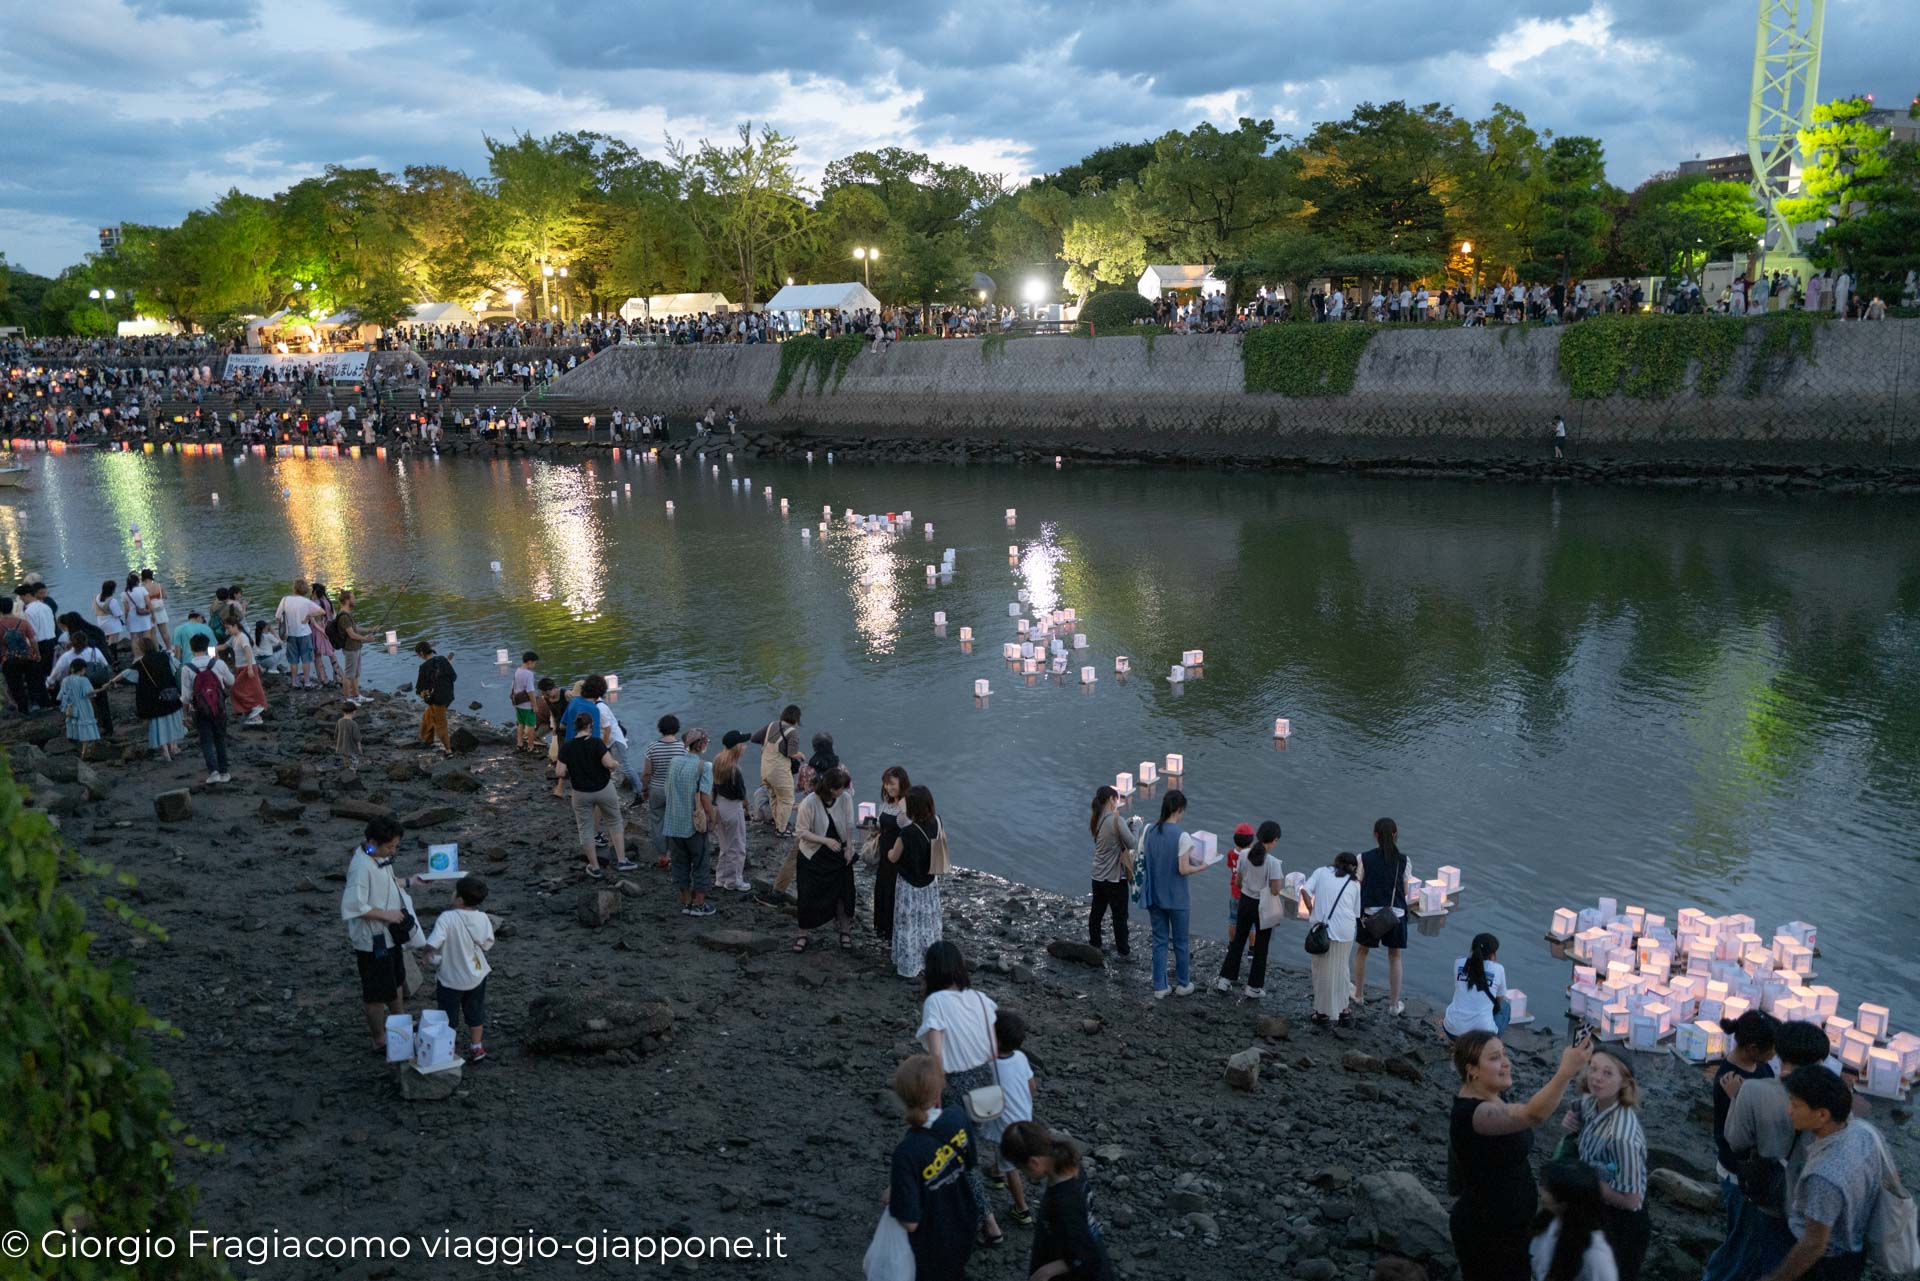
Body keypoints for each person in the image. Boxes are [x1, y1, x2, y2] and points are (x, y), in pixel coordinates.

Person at [1450, 1028, 1594, 1281]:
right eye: (1494, 1058)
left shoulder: (1493, 1098)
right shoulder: (1475, 1113)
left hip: (1508, 1225)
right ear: (1472, 1070)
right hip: (1488, 1232)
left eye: (1504, 1054)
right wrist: (1565, 1073)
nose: (1506, 1063)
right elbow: (1533, 1115)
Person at [1709, 1020, 1832, 1281]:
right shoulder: (1826, 1100)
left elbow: (1736, 1140)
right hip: (1799, 1194)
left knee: (1741, 1244)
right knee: (1770, 1251)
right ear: (1819, 1061)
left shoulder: (1754, 1091)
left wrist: (1737, 1099)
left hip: (1756, 1186)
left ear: (1780, 1052)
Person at [915, 941, 1005, 1248]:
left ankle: (988, 1223)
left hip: (955, 1084)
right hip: (985, 1082)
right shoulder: (982, 999)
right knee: (965, 1153)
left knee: (959, 1158)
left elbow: (936, 1054)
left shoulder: (936, 1002)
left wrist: (935, 1089)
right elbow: (994, 1049)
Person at [1764, 1066, 1887, 1281]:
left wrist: (1775, 1279)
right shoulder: (1865, 1132)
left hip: (1825, 1265)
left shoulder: (1823, 1177)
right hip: (1855, 1247)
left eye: (1795, 1104)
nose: (1788, 1111)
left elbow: (1814, 1244)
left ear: (1822, 1114)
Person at [1559, 1048, 1648, 1281]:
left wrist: (1587, 1182)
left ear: (1624, 1083)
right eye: (1593, 1068)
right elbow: (1577, 1106)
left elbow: (1632, 1200)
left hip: (1620, 1224)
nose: (1597, 1077)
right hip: (1593, 1209)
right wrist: (1572, 1118)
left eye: (1608, 1073)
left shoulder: (1622, 1137)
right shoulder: (1592, 1102)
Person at [888, 1054, 978, 1281]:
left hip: (931, 1242)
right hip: (964, 1221)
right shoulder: (958, 1117)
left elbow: (910, 1222)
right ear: (940, 1089)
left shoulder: (907, 1152)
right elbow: (970, 1163)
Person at [997, 1122, 1116, 1281]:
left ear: (1034, 1162)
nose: (1021, 1172)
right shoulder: (1069, 1164)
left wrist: (1045, 1272)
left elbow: (1087, 1255)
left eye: (1020, 1168)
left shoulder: (1064, 1201)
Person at [341, 816, 417, 1056]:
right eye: (390, 846)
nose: (393, 851)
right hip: (372, 941)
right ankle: (379, 1039)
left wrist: (411, 882)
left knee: (395, 981)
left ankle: (400, 1023)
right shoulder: (360, 868)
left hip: (389, 937)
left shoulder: (378, 855)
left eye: (396, 845)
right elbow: (355, 907)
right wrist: (388, 916)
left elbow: (388, 881)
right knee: (375, 994)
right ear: (373, 842)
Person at [1140, 789, 1212, 999]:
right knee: (1180, 942)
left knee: (1159, 940)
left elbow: (1145, 859)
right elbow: (1183, 869)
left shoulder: (1149, 831)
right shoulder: (1182, 836)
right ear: (1179, 810)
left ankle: (1160, 986)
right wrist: (1203, 866)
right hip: (1177, 898)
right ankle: (1183, 984)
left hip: (1154, 894)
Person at [423, 875, 494, 1063]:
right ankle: (477, 1047)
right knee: (475, 1011)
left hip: (450, 979)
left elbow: (434, 941)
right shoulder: (483, 917)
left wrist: (428, 952)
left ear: (459, 899)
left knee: (448, 1016)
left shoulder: (447, 918)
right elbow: (487, 944)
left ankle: (448, 1049)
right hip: (476, 976)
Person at [980, 1010, 1038, 1226]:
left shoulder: (989, 1064)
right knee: (1004, 1152)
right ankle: (996, 1174)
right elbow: (1032, 1087)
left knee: (1011, 1165)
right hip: (1023, 1115)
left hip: (1005, 1124)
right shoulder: (1021, 1058)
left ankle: (1022, 1209)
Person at [556, 712, 630, 879]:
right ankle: (622, 860)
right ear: (590, 726)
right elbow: (609, 764)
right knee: (614, 821)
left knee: (585, 828)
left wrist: (574, 772)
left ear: (575, 727)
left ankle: (595, 867)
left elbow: (559, 772)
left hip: (580, 792)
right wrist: (616, 763)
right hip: (603, 788)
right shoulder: (596, 742)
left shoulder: (567, 746)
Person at [1216, 819, 1283, 997]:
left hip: (1245, 901)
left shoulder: (1244, 854)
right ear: (1274, 840)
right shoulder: (1273, 863)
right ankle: (1253, 987)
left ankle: (1225, 980)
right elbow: (1275, 890)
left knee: (1238, 940)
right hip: (1263, 906)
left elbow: (1238, 881)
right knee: (1261, 947)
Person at [793, 765, 857, 951]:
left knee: (845, 892)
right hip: (813, 854)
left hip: (838, 852)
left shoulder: (844, 799)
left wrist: (849, 847)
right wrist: (825, 841)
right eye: (841, 788)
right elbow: (801, 832)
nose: (845, 791)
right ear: (831, 789)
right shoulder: (810, 802)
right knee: (807, 894)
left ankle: (845, 931)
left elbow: (849, 824)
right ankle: (802, 934)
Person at [1353, 816, 1411, 1015]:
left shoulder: (1363, 858)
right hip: (1395, 915)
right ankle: (1394, 1005)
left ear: (1375, 835)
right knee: (1395, 957)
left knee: (1362, 952)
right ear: (1395, 835)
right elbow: (1404, 890)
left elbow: (1357, 884)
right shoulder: (1404, 860)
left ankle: (1359, 995)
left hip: (1370, 915)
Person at [886, 783, 945, 978]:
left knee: (908, 926)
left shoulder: (908, 833)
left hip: (909, 887)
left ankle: (909, 965)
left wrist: (885, 850)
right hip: (929, 883)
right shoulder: (937, 821)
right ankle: (931, 961)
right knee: (928, 923)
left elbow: (893, 857)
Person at [1301, 851, 1362, 1024]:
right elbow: (1355, 912)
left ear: (1335, 862)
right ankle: (1344, 1010)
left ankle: (1323, 1012)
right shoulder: (1355, 883)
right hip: (1346, 931)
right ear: (1353, 868)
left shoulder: (1321, 872)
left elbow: (1304, 890)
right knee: (1342, 968)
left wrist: (1311, 908)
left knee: (1322, 970)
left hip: (1324, 931)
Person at [1530, 1162, 1618, 1281]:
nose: (1541, 1192)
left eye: (1547, 1189)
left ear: (1564, 1203)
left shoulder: (1595, 1257)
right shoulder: (1548, 1222)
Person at [662, 728, 717, 917]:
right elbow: (705, 798)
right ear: (701, 744)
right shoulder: (705, 766)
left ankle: (686, 901)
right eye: (706, 742)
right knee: (700, 863)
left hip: (672, 822)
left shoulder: (674, 762)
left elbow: (667, 789)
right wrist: (713, 818)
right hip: (694, 824)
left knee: (679, 862)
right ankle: (700, 905)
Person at [1088, 784, 1141, 958]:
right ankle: (1123, 951)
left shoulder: (1096, 819)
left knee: (1097, 911)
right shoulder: (1116, 820)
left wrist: (1125, 824)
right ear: (1111, 799)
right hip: (1114, 878)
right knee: (1119, 916)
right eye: (1116, 799)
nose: (1117, 803)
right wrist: (1136, 826)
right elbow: (1133, 844)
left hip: (1098, 875)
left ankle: (1095, 944)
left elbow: (1110, 836)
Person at [115, 634, 185, 760]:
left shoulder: (141, 662)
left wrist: (110, 682)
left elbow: (127, 674)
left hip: (155, 698)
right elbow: (177, 666)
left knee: (160, 725)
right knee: (173, 720)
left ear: (141, 649)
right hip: (171, 694)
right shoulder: (165, 656)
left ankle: (165, 753)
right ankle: (174, 747)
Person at [180, 632, 234, 785]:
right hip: (219, 708)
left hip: (199, 710)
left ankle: (214, 772)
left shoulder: (187, 668)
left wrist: (185, 714)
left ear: (191, 649)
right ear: (207, 647)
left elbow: (186, 695)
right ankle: (224, 772)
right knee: (220, 739)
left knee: (206, 741)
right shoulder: (218, 664)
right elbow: (231, 681)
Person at [639, 713, 685, 865]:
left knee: (657, 821)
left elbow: (646, 773)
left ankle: (663, 856)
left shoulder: (652, 747)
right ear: (676, 729)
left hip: (657, 789)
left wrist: (645, 789)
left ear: (660, 728)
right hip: (675, 790)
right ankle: (676, 853)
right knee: (675, 821)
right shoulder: (682, 748)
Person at [873, 766, 911, 944]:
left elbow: (907, 826)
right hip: (884, 850)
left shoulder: (907, 804)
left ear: (901, 783)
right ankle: (883, 927)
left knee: (895, 890)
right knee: (883, 886)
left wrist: (902, 803)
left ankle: (895, 930)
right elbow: (883, 826)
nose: (888, 787)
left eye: (892, 784)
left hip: (899, 853)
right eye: (886, 784)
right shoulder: (886, 803)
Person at [1445, 934, 1510, 1038]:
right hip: (1481, 1038)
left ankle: (1458, 1044)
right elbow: (1500, 998)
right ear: (1492, 954)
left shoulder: (1458, 962)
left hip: (1451, 1030)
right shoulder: (1498, 969)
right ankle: (1489, 1045)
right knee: (1505, 1006)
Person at [710, 731, 752, 891]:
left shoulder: (717, 760)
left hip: (719, 804)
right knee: (738, 846)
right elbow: (741, 794)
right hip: (733, 807)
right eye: (743, 744)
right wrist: (747, 808)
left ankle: (721, 878)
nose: (745, 746)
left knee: (725, 845)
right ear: (737, 748)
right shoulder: (735, 769)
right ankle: (734, 881)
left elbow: (713, 786)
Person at [755, 704, 804, 835]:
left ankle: (778, 824)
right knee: (787, 799)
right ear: (796, 718)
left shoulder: (771, 725)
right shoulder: (792, 732)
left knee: (774, 797)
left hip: (765, 769)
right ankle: (782, 830)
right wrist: (801, 755)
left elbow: (754, 738)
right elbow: (792, 754)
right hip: (779, 771)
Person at [221, 616, 267, 724]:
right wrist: (210, 649)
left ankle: (256, 709)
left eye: (228, 628)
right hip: (241, 667)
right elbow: (223, 646)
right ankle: (256, 716)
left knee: (237, 688)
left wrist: (250, 668)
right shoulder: (234, 637)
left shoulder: (242, 637)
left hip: (247, 667)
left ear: (235, 626)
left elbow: (248, 651)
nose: (226, 631)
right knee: (248, 689)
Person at [276, 578, 320, 689]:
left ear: (294, 588)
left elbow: (277, 617)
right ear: (304, 590)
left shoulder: (285, 600)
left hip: (290, 634)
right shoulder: (306, 602)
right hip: (304, 633)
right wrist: (309, 616)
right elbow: (321, 611)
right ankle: (307, 682)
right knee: (306, 659)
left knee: (293, 660)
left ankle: (295, 682)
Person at [413, 641, 456, 753]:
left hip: (437, 700)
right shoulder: (442, 659)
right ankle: (427, 740)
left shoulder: (424, 667)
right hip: (449, 695)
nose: (418, 657)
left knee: (440, 724)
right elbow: (453, 676)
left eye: (418, 655)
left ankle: (448, 750)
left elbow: (419, 688)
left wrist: (423, 694)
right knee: (427, 716)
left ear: (421, 653)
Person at [55, 660, 100, 758]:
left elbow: (60, 696)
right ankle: (85, 752)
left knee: (74, 728)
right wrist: (102, 689)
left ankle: (79, 751)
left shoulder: (65, 680)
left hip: (71, 707)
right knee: (86, 729)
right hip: (84, 706)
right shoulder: (84, 680)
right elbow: (89, 693)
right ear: (82, 669)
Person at [335, 589, 366, 703]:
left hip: (356, 647)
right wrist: (366, 638)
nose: (355, 600)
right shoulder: (344, 616)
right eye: (353, 598)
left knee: (355, 673)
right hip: (350, 648)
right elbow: (352, 634)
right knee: (348, 675)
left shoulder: (348, 613)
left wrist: (370, 629)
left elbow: (356, 629)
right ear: (347, 600)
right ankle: (347, 699)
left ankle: (356, 695)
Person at [510, 652, 539, 752]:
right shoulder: (529, 674)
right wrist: (534, 705)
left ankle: (519, 744)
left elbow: (513, 686)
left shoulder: (517, 671)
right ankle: (531, 747)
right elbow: (530, 691)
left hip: (518, 703)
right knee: (531, 726)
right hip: (527, 705)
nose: (534, 665)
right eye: (534, 663)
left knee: (520, 724)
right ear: (529, 662)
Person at [141, 569, 171, 648]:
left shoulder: (143, 588)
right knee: (164, 632)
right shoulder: (159, 585)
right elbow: (165, 596)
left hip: (150, 612)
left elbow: (144, 601)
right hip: (160, 610)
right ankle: (169, 648)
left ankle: (157, 650)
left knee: (153, 633)